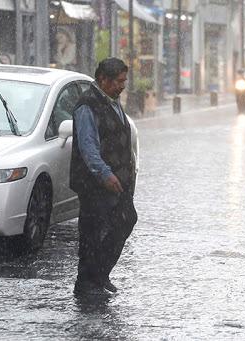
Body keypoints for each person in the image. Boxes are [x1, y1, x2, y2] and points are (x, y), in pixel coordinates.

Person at [70, 58, 138, 296]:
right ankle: (87, 283)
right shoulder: (88, 105)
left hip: (118, 182)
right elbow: (88, 148)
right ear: (103, 79)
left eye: (124, 81)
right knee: (93, 233)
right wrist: (104, 174)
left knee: (125, 220)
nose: (122, 86)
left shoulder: (112, 101)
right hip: (95, 184)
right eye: (118, 81)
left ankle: (100, 274)